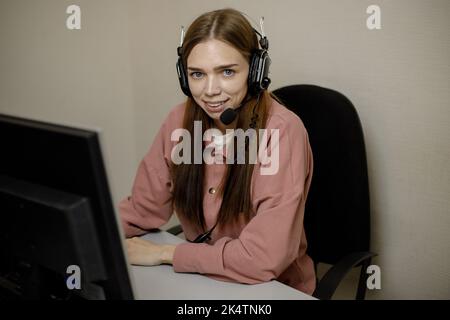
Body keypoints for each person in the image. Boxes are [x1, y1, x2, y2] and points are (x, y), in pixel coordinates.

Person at [119, 8, 316, 295]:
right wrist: (87, 235)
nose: (210, 90)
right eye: (197, 74)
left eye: (227, 72)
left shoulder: (282, 132)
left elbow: (261, 259)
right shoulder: (179, 121)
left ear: (255, 71)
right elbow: (141, 209)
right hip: (198, 281)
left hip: (270, 288)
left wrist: (165, 254)